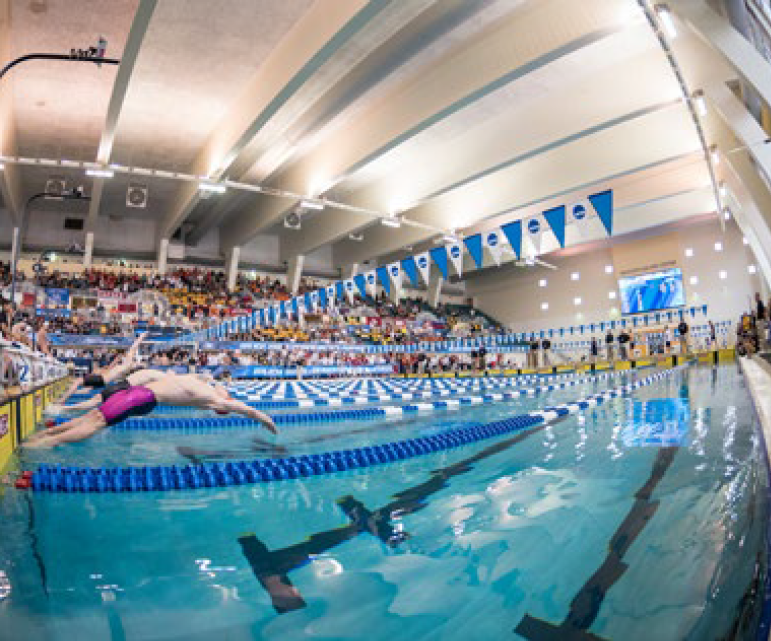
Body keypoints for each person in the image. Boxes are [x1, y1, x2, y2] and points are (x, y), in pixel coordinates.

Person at [24, 373, 277, 447]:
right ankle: (43, 442)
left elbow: (246, 410)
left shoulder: (215, 399)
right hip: (138, 398)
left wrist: (266, 420)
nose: (226, 392)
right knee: (92, 422)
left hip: (137, 396)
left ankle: (43, 439)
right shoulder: (204, 384)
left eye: (227, 394)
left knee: (92, 420)